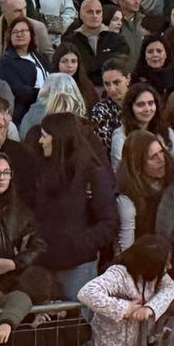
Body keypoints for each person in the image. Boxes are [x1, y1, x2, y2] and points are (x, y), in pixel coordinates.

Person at [31, 112, 118, 299]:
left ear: (60, 139)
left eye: (45, 136)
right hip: (45, 264)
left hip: (78, 267)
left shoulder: (92, 174)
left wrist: (77, 244)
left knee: (80, 323)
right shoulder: (45, 171)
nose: (40, 141)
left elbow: (109, 223)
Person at [0, 150, 46, 292]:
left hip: (18, 282)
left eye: (6, 172)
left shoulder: (22, 211)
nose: (2, 178)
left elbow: (39, 246)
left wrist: (13, 263)